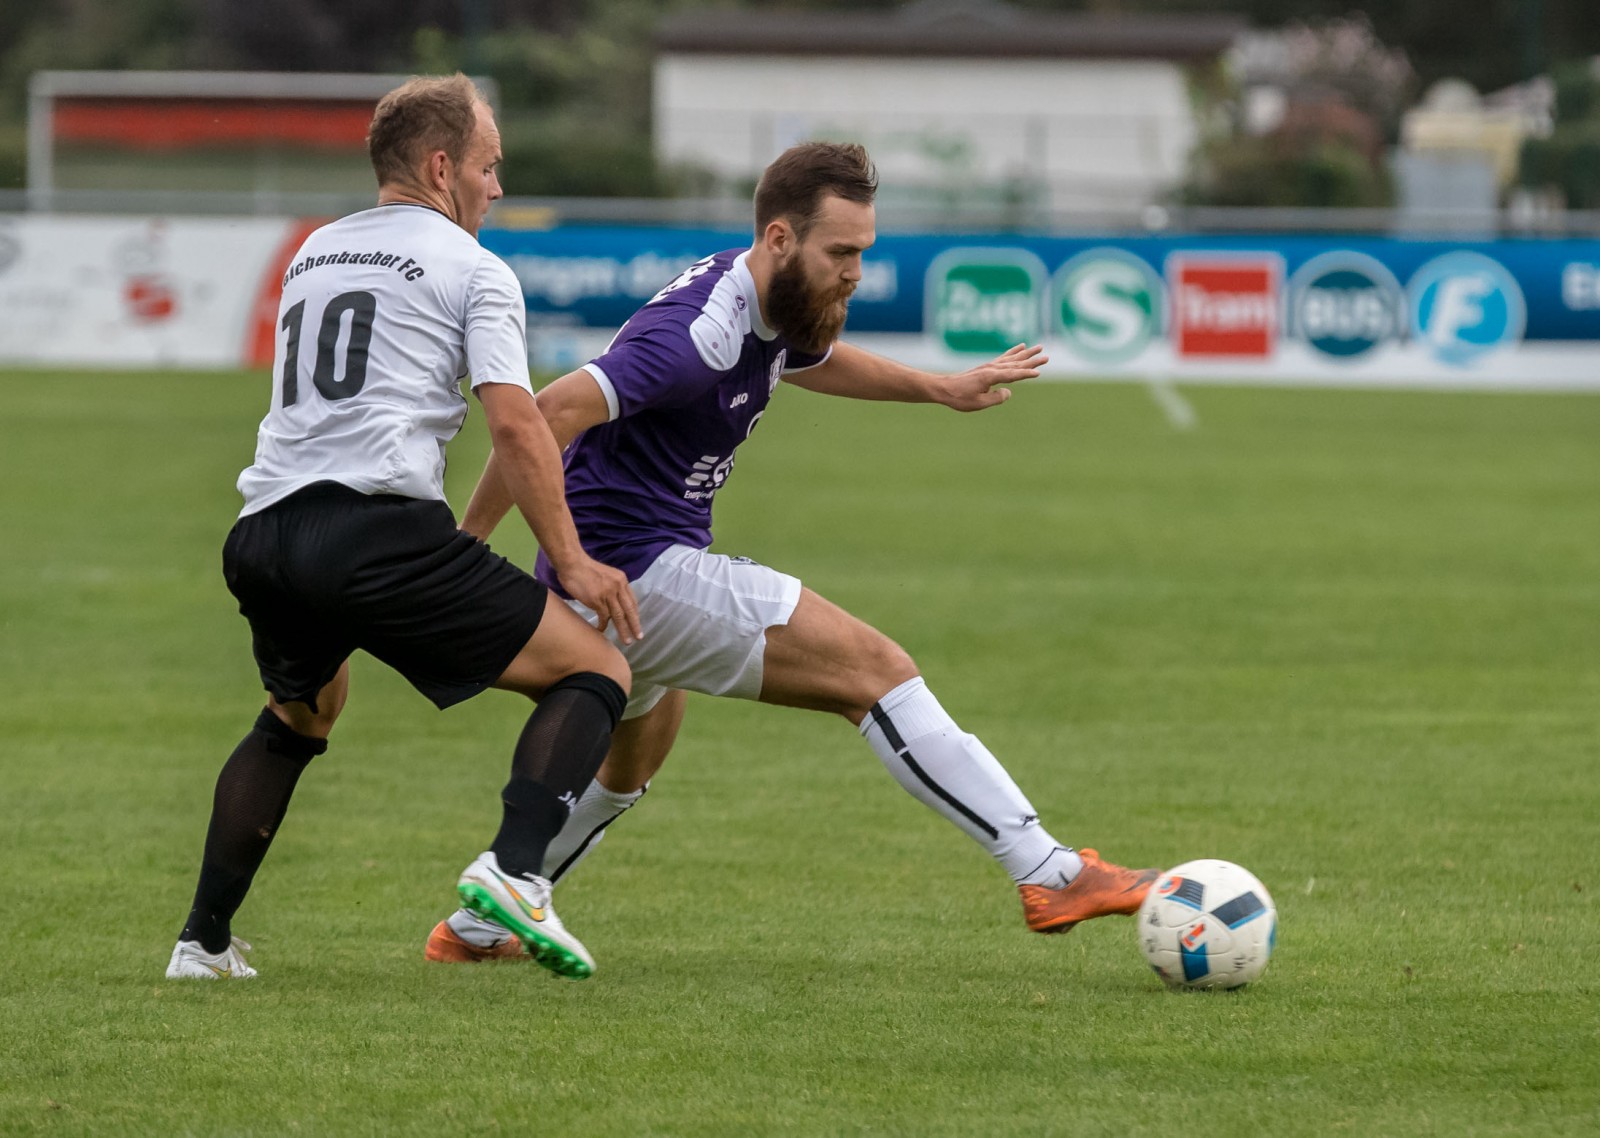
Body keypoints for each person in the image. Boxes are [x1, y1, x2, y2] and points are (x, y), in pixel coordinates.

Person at [426, 141, 1157, 965]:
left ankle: (483, 924)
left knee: (632, 760)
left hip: (630, 571)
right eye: (841, 253)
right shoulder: (696, 335)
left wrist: (939, 388)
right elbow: (544, 412)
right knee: (875, 672)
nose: (855, 272)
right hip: (629, 570)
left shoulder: (768, 304)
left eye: (863, 254)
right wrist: (472, 543)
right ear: (780, 238)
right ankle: (1048, 869)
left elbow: (809, 358)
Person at [166, 74, 644, 982]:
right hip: (372, 532)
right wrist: (572, 561)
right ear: (440, 166)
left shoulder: (316, 250)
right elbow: (517, 422)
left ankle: (203, 943)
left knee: (301, 713)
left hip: (265, 533)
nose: (496, 187)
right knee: (595, 666)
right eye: (489, 166)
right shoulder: (475, 268)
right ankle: (512, 874)